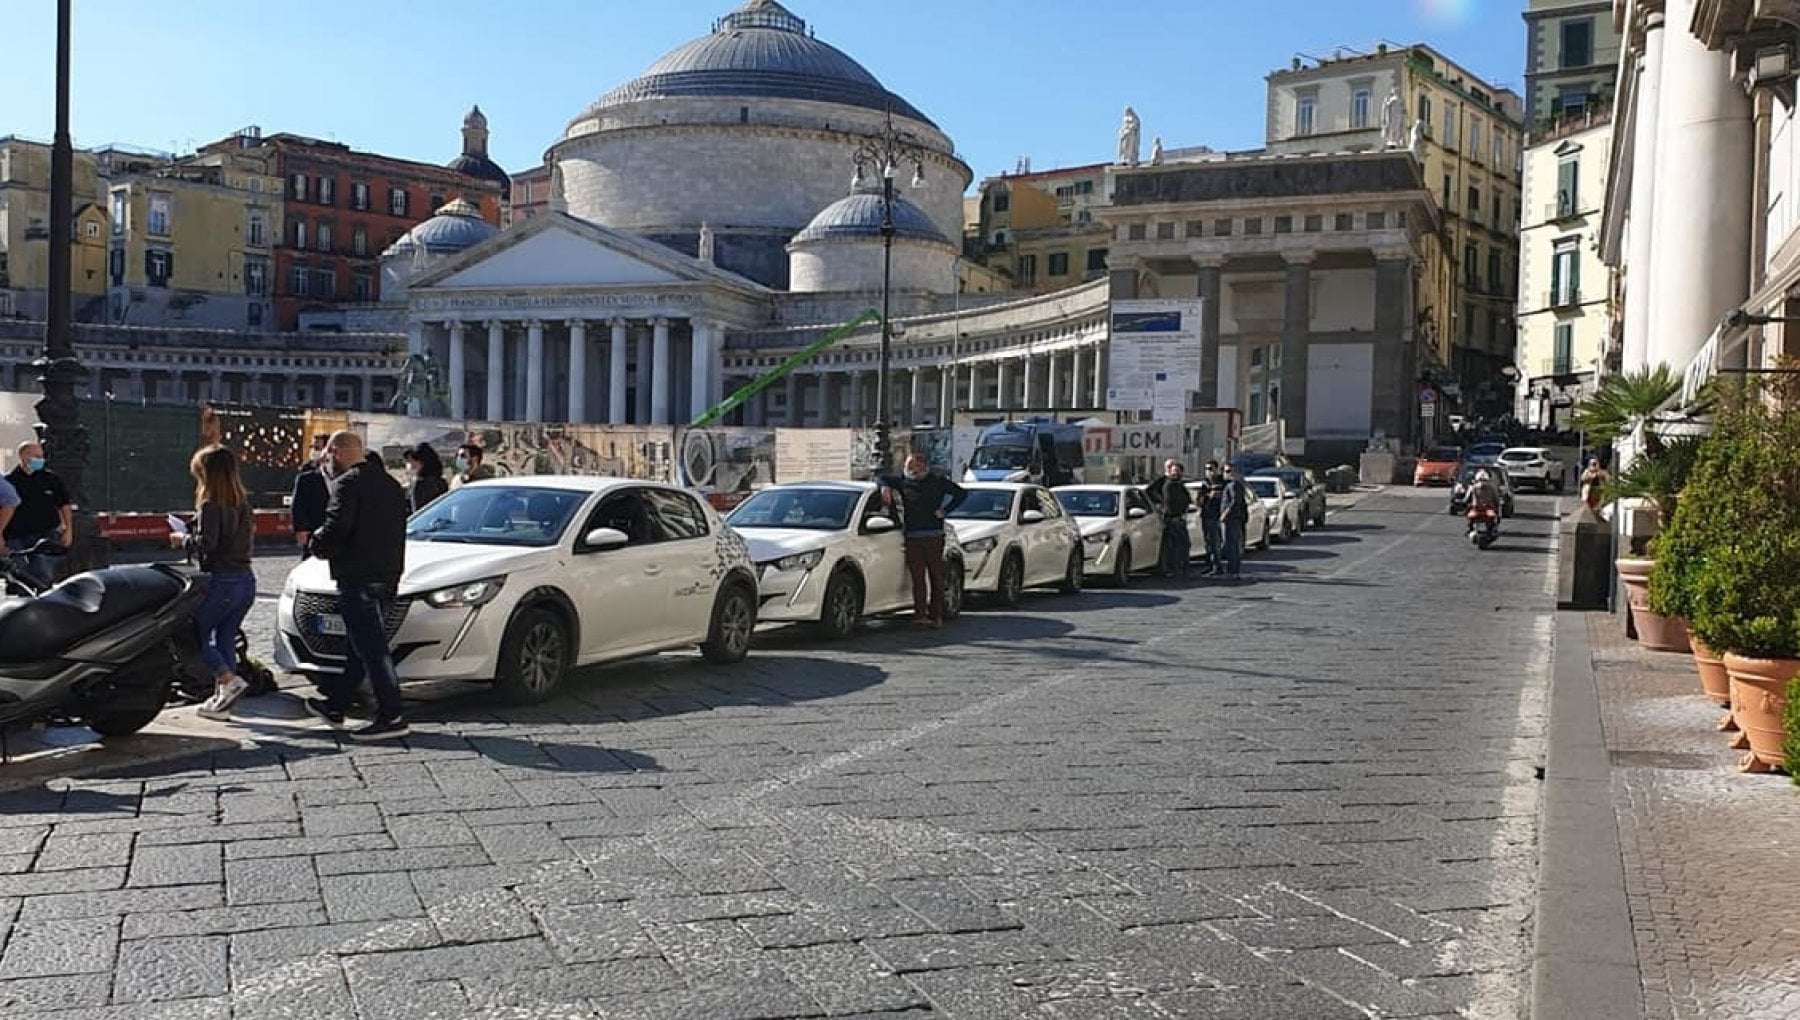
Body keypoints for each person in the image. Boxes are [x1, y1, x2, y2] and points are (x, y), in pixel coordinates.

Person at [306, 430, 410, 739]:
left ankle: (392, 714)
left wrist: (317, 542)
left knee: (373, 649)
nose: (326, 460)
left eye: (327, 454)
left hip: (358, 577)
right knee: (360, 645)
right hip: (388, 575)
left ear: (337, 452)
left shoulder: (347, 484)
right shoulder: (392, 485)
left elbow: (338, 527)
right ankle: (336, 704)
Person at [176, 445, 258, 721]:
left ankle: (227, 680)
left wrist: (182, 540)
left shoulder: (211, 504)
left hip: (222, 580)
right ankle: (223, 701)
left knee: (193, 636)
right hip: (245, 580)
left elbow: (208, 545)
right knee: (224, 638)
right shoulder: (242, 502)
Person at [877, 453, 967, 628]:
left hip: (933, 535)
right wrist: (884, 488)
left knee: (936, 576)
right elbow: (881, 477)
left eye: (913, 465)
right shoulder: (904, 481)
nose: (910, 469)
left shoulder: (937, 481)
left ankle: (936, 615)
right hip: (912, 536)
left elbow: (961, 494)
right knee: (917, 578)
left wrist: (945, 511)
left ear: (923, 466)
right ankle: (920, 614)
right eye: (908, 465)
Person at [4, 441, 73, 587]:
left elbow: (64, 505)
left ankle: (43, 603)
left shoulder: (51, 479)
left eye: (41, 456)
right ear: (23, 456)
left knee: (43, 573)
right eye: (36, 456)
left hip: (45, 534)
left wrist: (68, 530)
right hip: (16, 536)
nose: (40, 459)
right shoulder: (10, 482)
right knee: (18, 573)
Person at [1143, 459, 1193, 578]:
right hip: (1172, 518)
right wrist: (1161, 505)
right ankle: (1175, 569)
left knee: (1182, 545)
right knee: (1176, 545)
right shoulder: (1168, 484)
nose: (1175, 473)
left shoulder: (1178, 484)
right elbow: (1163, 498)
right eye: (1173, 469)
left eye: (1178, 470)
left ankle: (1180, 568)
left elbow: (1186, 499)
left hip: (1179, 517)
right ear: (1168, 470)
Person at [290, 436, 331, 554]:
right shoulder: (307, 472)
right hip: (313, 526)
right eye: (313, 447)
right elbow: (298, 503)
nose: (314, 451)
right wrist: (300, 527)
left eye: (317, 447)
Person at [1216, 462, 1252, 581]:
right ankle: (1233, 570)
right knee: (1231, 545)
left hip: (1231, 519)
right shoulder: (1231, 485)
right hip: (1233, 519)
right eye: (1225, 471)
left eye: (1228, 471)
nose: (1225, 474)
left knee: (1231, 545)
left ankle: (1233, 571)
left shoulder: (1234, 485)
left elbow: (1235, 502)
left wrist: (1225, 514)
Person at [1196, 460, 1225, 576]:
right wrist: (1207, 496)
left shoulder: (1222, 483)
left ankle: (1217, 566)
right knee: (1208, 543)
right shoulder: (1205, 484)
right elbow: (1199, 501)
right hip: (1206, 515)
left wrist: (1218, 495)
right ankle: (1210, 565)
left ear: (1216, 469)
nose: (1209, 472)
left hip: (1217, 516)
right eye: (1207, 469)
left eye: (1211, 469)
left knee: (1215, 542)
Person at [404, 443, 449, 514]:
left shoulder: (420, 485)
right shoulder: (441, 482)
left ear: (421, 462)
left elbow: (418, 511)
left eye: (411, 461)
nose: (411, 465)